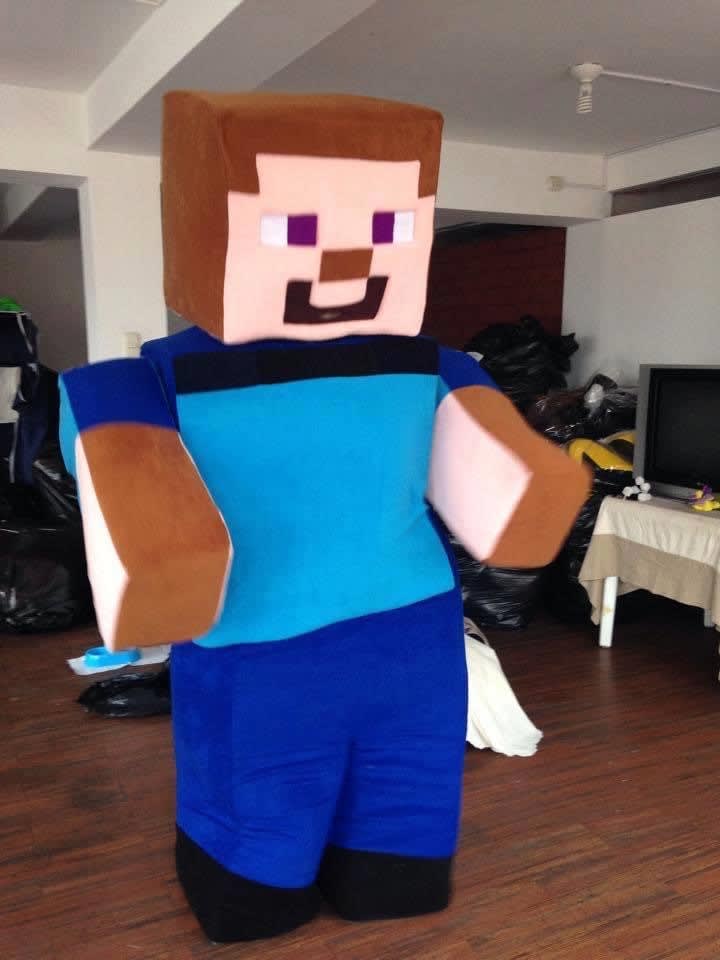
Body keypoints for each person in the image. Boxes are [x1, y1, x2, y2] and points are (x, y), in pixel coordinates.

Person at [60, 91, 589, 943]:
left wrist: (533, 492)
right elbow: (126, 477)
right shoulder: (155, 378)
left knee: (406, 777)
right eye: (298, 230)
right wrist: (155, 550)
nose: (346, 258)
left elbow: (511, 491)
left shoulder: (429, 365)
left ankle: (387, 870)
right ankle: (255, 886)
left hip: (411, 629)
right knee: (262, 789)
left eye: (385, 229)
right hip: (259, 635)